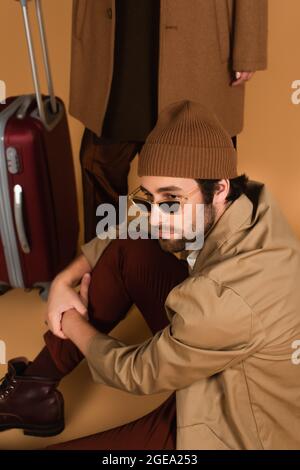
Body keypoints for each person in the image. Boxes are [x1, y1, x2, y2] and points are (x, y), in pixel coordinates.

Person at [1, 101, 299, 450]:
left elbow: (134, 372)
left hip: (235, 426)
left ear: (218, 189)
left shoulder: (228, 297)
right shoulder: (247, 198)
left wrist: (68, 319)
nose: (156, 216)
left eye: (171, 201)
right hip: (218, 350)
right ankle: (31, 393)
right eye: (149, 198)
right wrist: (65, 280)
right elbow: (136, 225)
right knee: (135, 244)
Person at [70, 0, 268, 242]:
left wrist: (249, 45)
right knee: (99, 162)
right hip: (117, 28)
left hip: (200, 36)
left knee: (201, 176)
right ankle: (105, 266)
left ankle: (203, 272)